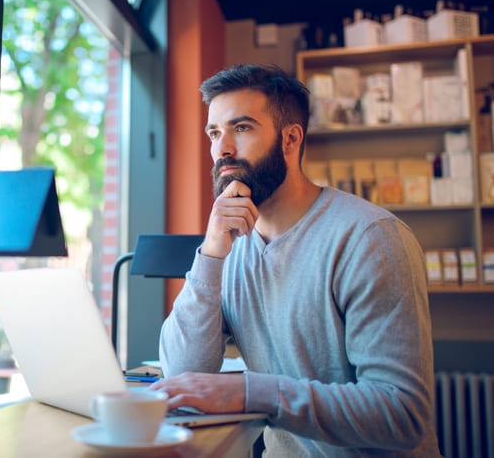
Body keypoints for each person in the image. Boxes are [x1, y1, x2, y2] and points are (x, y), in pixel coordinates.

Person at [149, 64, 441, 456]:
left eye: (242, 128)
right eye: (215, 133)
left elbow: (401, 415)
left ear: (291, 138)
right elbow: (183, 373)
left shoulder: (370, 238)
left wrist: (250, 392)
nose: (223, 149)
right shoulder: (231, 248)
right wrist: (210, 254)